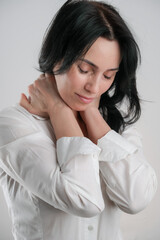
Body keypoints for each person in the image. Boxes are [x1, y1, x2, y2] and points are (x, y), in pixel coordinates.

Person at [0, 0, 157, 239]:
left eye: (107, 76)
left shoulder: (114, 126)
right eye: (84, 69)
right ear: (56, 56)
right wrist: (58, 109)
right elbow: (84, 200)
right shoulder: (13, 126)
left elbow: (136, 198)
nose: (94, 87)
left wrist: (91, 114)